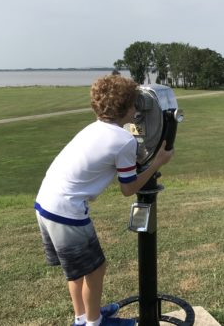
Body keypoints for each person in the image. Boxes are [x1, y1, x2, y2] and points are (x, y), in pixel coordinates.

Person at [35, 75, 174, 326]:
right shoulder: (123, 140)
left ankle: (84, 316)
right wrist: (157, 163)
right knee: (95, 269)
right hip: (67, 210)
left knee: (77, 272)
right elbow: (128, 188)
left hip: (45, 203)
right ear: (129, 108)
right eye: (135, 103)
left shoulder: (94, 128)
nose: (138, 108)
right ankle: (94, 322)